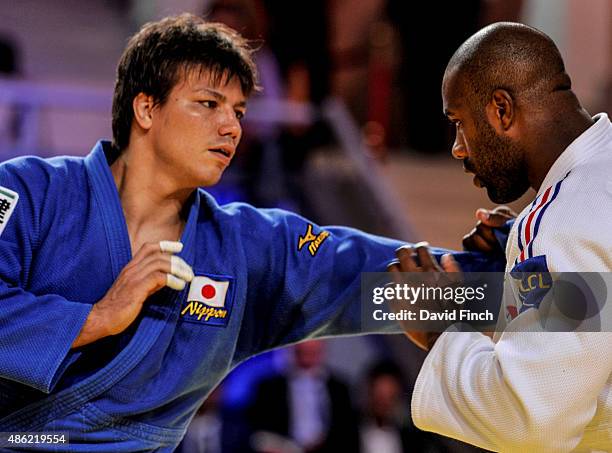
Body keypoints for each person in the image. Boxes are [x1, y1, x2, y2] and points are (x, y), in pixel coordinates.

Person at [0, 14, 500, 451]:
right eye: (208, 104)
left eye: (238, 112)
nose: (231, 127)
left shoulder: (247, 249)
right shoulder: (30, 193)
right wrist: (99, 316)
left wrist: (515, 276)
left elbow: (379, 279)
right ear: (146, 108)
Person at [390, 22, 612, 451]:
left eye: (459, 122)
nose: (457, 148)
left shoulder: (560, 220)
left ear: (501, 110)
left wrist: (438, 328)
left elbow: (530, 420)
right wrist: (517, 274)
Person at [248, 340, 359, 453]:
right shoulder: (270, 388)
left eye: (313, 350)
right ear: (293, 349)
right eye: (304, 350)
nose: (308, 353)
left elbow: (348, 431)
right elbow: (258, 432)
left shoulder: (339, 388)